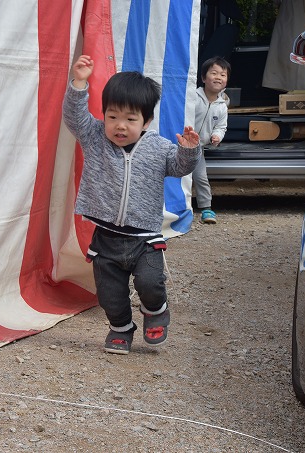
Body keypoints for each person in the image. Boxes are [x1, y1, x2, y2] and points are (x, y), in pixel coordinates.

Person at [62, 55, 201, 355]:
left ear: (146, 121)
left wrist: (189, 151)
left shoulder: (160, 147)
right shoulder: (94, 136)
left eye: (130, 119)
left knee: (150, 281)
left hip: (145, 238)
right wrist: (79, 83)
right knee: (110, 294)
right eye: (112, 117)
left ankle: (156, 310)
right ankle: (121, 328)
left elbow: (179, 167)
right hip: (106, 237)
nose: (119, 126)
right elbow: (74, 116)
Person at [194, 56, 231, 225]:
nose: (218, 77)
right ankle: (178, 206)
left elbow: (221, 127)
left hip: (198, 148)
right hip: (181, 145)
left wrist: (217, 136)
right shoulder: (193, 97)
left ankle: (206, 208)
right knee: (178, 178)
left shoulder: (222, 105)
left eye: (223, 75)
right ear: (203, 78)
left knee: (201, 177)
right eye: (213, 73)